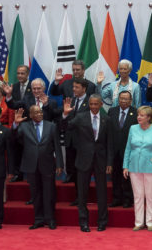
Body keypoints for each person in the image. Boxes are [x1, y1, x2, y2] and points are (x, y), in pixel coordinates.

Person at [62, 94, 112, 232]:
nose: (94, 107)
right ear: (89, 105)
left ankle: (102, 222)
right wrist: (65, 115)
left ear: (101, 104)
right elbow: (66, 127)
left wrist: (109, 162)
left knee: (102, 192)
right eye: (91, 104)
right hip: (83, 160)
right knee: (82, 193)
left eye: (96, 104)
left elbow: (110, 143)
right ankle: (83, 222)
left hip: (101, 160)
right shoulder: (80, 117)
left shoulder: (107, 119)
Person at [13, 105, 63, 229]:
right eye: (36, 112)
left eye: (40, 111)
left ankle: (50, 219)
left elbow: (57, 146)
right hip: (31, 165)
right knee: (35, 194)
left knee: (49, 193)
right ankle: (38, 219)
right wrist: (16, 125)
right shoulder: (24, 126)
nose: (39, 114)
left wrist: (59, 164)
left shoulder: (51, 126)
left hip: (48, 164)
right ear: (30, 115)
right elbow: (14, 139)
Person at [123, 105, 152, 231]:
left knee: (150, 195)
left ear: (149, 117)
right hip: (134, 166)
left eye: (142, 115)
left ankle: (150, 222)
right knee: (138, 195)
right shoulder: (133, 128)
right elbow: (128, 148)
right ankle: (139, 222)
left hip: (151, 166)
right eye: (138, 115)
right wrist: (125, 166)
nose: (138, 117)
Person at [61, 77, 90, 199]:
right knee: (73, 171)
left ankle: (83, 197)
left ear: (84, 89)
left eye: (76, 87)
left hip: (83, 143)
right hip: (70, 141)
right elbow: (64, 123)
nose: (73, 89)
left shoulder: (90, 102)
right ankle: (78, 196)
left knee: (82, 172)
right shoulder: (71, 101)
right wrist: (64, 114)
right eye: (73, 87)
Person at [107, 91, 138, 207]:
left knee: (127, 177)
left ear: (131, 101)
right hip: (114, 150)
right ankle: (116, 198)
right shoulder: (112, 111)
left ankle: (127, 199)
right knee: (115, 176)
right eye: (121, 98)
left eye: (126, 99)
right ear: (118, 99)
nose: (123, 101)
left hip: (130, 151)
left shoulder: (136, 113)